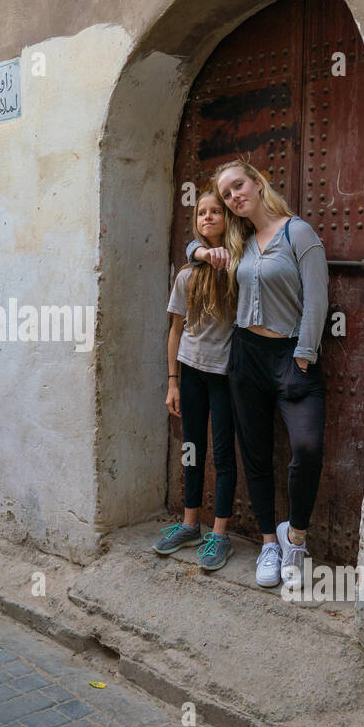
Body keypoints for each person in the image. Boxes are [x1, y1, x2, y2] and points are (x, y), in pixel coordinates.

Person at [185, 159, 328, 588]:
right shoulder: (238, 239)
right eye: (226, 195)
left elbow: (318, 298)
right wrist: (199, 251)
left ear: (258, 181)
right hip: (245, 356)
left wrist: (303, 356)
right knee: (256, 454)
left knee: (306, 449)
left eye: (238, 186)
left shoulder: (297, 232)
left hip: (292, 357)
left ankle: (295, 538)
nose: (233, 197)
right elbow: (195, 247)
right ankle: (270, 542)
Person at [156, 182, 239, 570]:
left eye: (216, 211)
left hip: (224, 375)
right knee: (192, 449)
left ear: (228, 218)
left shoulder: (240, 267)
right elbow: (175, 330)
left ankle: (219, 534)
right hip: (190, 373)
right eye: (202, 212)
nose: (208, 216)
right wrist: (172, 381)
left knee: (222, 454)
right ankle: (191, 524)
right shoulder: (187, 275)